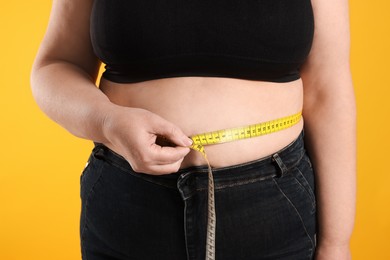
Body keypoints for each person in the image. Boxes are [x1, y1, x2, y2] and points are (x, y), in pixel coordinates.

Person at [31, 0, 356, 259]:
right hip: (128, 202)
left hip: (273, 206)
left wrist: (336, 242)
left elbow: (327, 90)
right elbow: (56, 65)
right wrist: (108, 122)